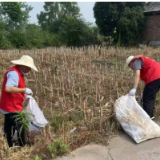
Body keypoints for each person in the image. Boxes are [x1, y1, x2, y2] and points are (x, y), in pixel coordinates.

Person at [0, 55, 38, 147]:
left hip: (9, 105)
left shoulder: (17, 72)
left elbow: (14, 88)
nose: (30, 70)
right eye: (29, 68)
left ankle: (8, 145)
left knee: (9, 127)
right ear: (24, 66)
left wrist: (23, 95)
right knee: (20, 125)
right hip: (12, 106)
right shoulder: (14, 73)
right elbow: (8, 88)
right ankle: (22, 145)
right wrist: (24, 90)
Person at [124, 55, 160, 119]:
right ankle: (151, 115)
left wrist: (134, 88)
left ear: (130, 63)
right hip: (157, 76)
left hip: (155, 76)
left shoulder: (136, 62)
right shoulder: (142, 60)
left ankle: (148, 118)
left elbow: (137, 75)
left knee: (147, 98)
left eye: (130, 66)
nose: (132, 68)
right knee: (150, 96)